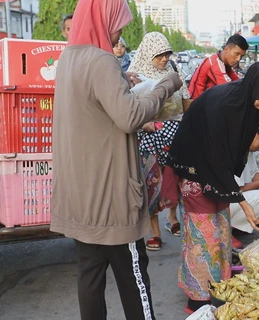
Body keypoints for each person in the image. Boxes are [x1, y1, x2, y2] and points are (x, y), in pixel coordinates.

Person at [50, 1, 183, 319]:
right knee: (134, 278)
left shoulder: (69, 58)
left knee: (90, 276)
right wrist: (166, 84)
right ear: (103, 19)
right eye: (118, 23)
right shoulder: (101, 61)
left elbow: (97, 107)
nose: (121, 31)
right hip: (112, 198)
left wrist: (123, 81)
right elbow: (130, 116)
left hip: (81, 197)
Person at [162, 62, 259, 314]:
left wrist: (237, 195)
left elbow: (228, 155)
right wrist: (242, 201)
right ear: (258, 89)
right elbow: (215, 157)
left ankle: (216, 289)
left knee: (220, 231)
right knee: (204, 237)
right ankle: (198, 301)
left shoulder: (246, 102)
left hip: (212, 169)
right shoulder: (225, 106)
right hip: (195, 170)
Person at [128, 31, 191, 250]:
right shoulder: (134, 75)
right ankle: (154, 230)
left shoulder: (174, 70)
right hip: (148, 136)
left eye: (166, 53)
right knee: (151, 182)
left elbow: (185, 100)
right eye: (158, 55)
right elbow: (129, 110)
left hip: (173, 134)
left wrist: (189, 125)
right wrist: (144, 124)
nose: (164, 58)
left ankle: (173, 218)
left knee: (176, 178)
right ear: (148, 54)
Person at [188, 34, 249, 100]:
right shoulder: (213, 63)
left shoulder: (224, 63)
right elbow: (229, 89)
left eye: (241, 56)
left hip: (206, 102)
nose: (238, 59)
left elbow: (237, 81)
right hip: (196, 105)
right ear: (226, 49)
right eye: (237, 54)